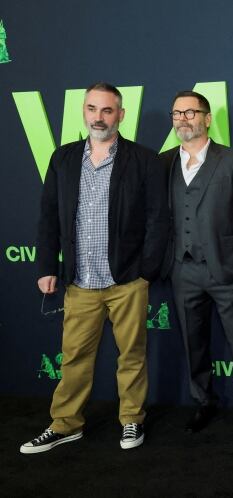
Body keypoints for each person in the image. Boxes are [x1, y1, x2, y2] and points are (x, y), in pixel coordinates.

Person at [21, 83, 169, 453]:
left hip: (127, 280)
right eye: (92, 109)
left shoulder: (144, 160)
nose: (98, 117)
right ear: (84, 112)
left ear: (120, 115)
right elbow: (48, 217)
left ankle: (132, 420)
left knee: (132, 355)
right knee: (73, 358)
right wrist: (46, 265)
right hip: (80, 281)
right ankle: (65, 424)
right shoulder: (64, 158)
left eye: (107, 110)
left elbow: (157, 219)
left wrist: (145, 270)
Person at [159, 91, 233, 432]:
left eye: (190, 112)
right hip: (182, 269)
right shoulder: (164, 162)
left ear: (207, 118)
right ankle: (204, 400)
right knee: (193, 342)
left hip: (227, 270)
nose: (183, 119)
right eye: (176, 114)